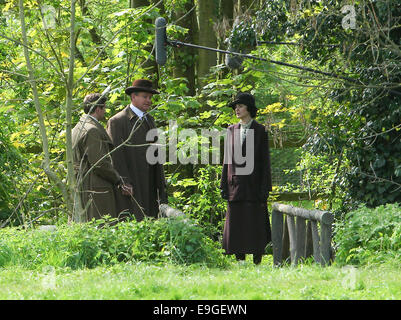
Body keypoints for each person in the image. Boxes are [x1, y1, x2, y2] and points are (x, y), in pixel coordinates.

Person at [220, 92, 272, 265]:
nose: (237, 109)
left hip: (255, 185)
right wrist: (223, 185)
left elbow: (265, 161)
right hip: (235, 185)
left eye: (240, 106)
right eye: (235, 107)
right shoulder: (231, 130)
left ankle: (257, 259)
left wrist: (266, 187)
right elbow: (227, 160)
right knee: (237, 222)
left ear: (249, 108)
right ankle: (239, 259)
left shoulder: (260, 130)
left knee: (255, 221)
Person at [106, 79, 167, 221]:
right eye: (145, 97)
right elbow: (115, 154)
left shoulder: (149, 120)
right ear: (133, 97)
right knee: (133, 221)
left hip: (151, 181)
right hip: (132, 182)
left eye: (150, 98)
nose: (149, 101)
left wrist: (161, 182)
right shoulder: (117, 121)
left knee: (152, 220)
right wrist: (123, 182)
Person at [72, 93, 132, 222]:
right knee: (101, 225)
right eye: (104, 108)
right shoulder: (92, 130)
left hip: (83, 183)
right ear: (98, 109)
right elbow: (99, 163)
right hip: (96, 186)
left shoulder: (77, 127)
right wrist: (118, 180)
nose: (105, 111)